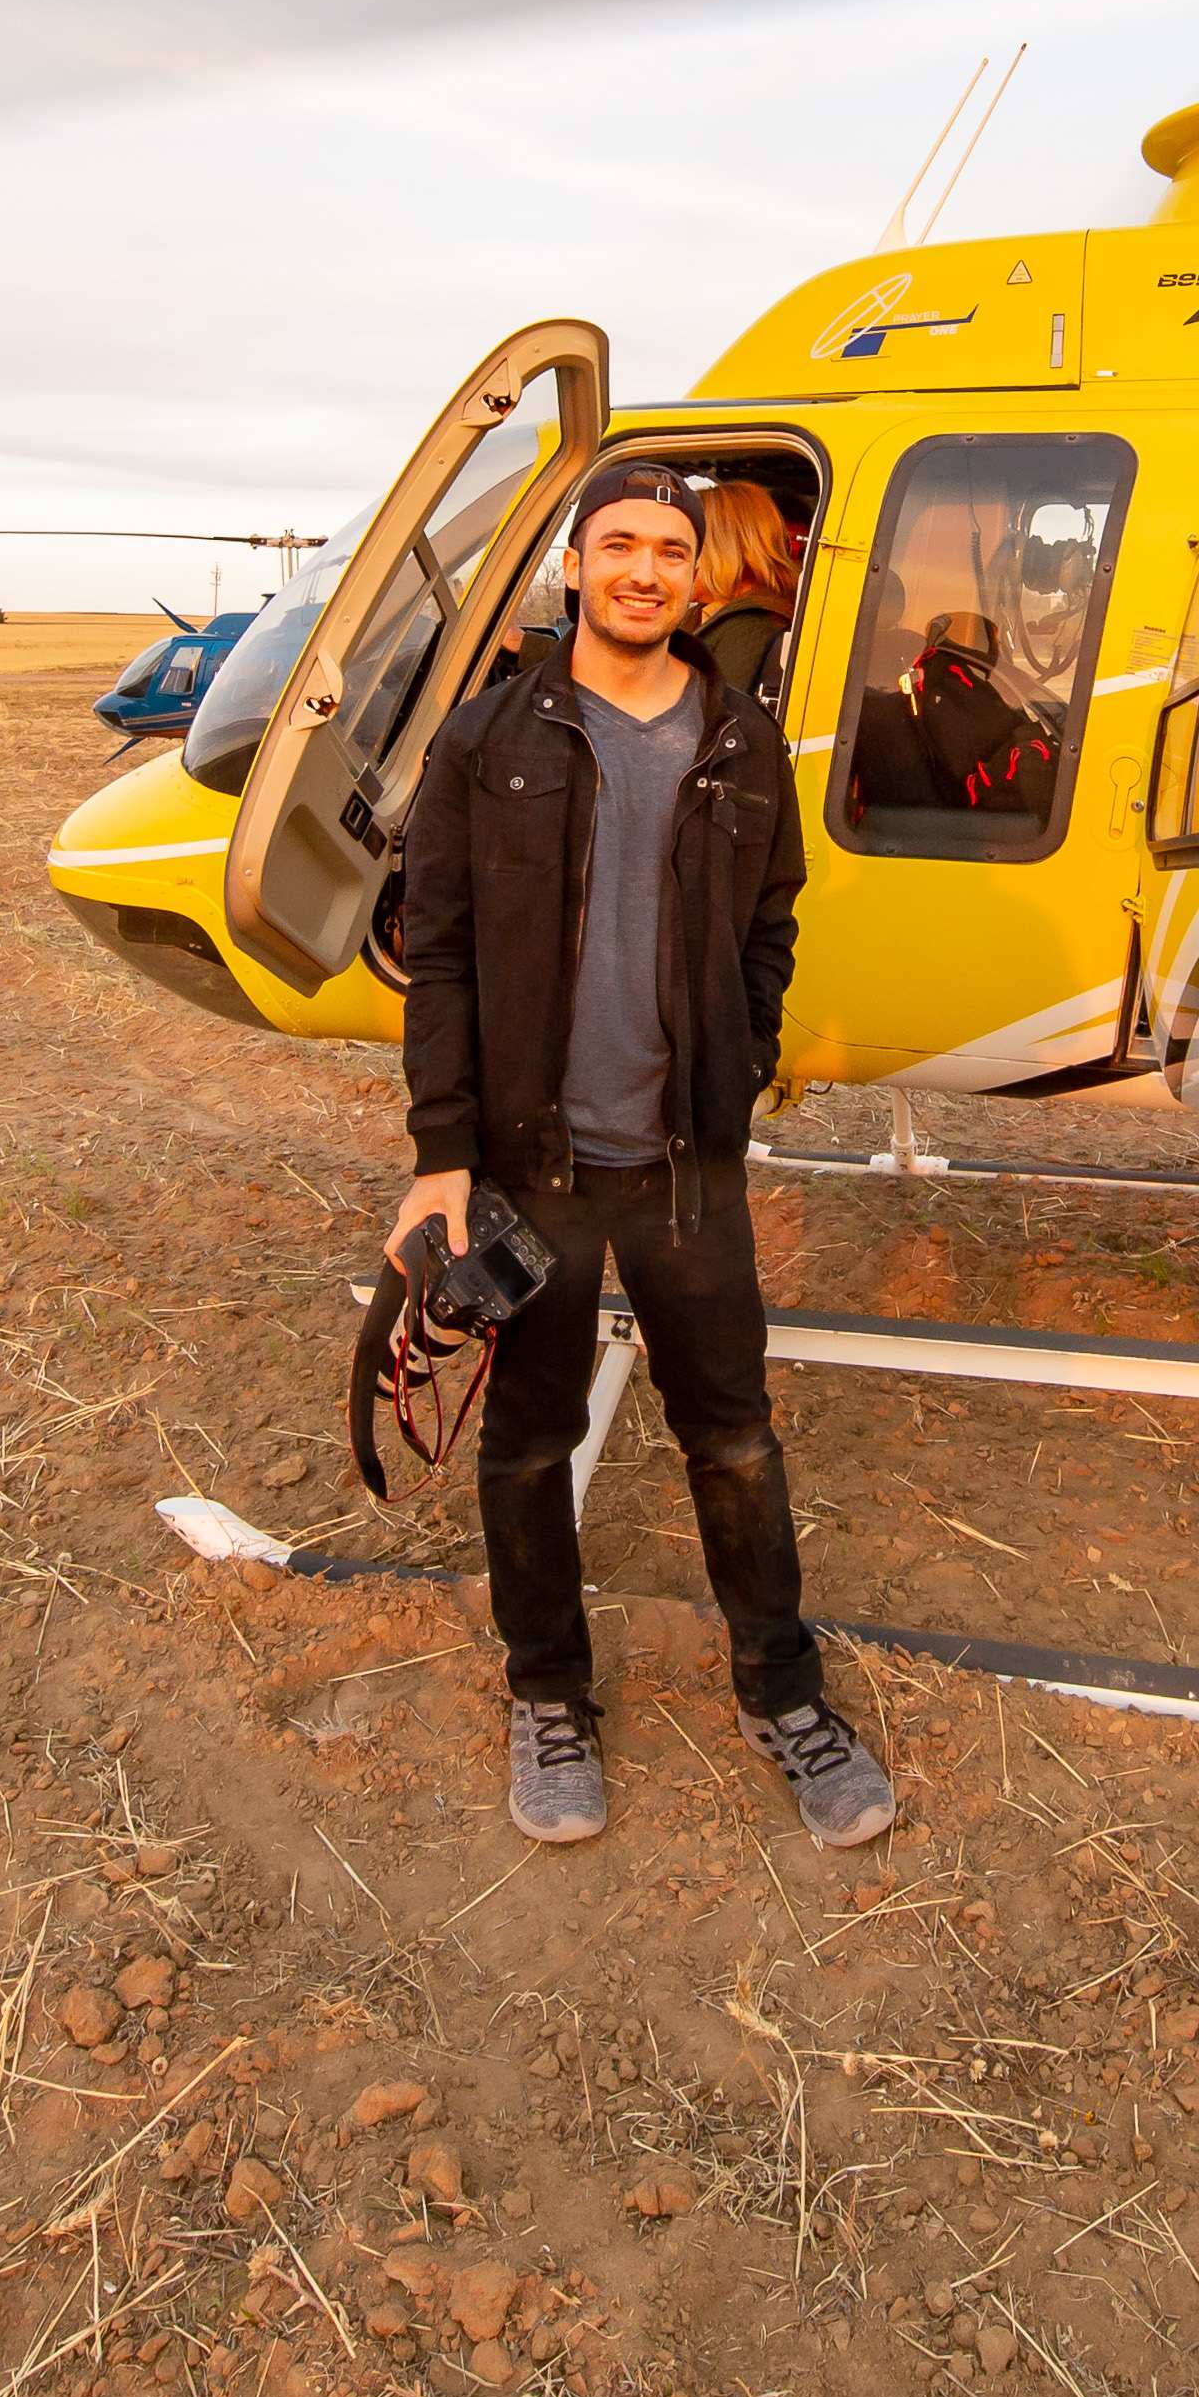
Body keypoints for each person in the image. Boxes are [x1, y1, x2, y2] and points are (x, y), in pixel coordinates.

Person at [395, 456, 897, 1852]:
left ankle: (780, 1689)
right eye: (618, 543)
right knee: (531, 1437)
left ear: (696, 576)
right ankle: (548, 1690)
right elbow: (433, 951)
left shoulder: (739, 739)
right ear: (574, 561)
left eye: (669, 549)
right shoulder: (486, 736)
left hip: (687, 1164)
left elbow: (768, 922)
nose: (643, 569)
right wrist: (444, 1151)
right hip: (530, 1159)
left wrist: (737, 1055)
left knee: (731, 1433)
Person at [688, 479, 803, 721]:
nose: (673, 561)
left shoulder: (752, 628)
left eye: (685, 546)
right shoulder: (700, 613)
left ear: (722, 549)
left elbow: (711, 727)